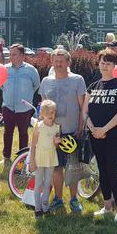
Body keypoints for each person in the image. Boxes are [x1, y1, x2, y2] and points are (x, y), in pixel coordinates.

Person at [83, 49, 117, 222]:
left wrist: (104, 129)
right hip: (95, 135)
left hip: (113, 137)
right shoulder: (93, 87)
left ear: (114, 65)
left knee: (112, 171)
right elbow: (84, 112)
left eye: (108, 63)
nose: (104, 66)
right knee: (102, 171)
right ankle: (107, 206)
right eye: (102, 63)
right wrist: (93, 128)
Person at [39, 49, 87, 213]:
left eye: (62, 61)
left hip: (72, 132)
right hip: (53, 134)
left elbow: (83, 107)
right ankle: (58, 199)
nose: (58, 64)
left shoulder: (77, 80)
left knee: (73, 168)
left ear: (68, 63)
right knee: (56, 167)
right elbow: (44, 107)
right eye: (55, 60)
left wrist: (81, 126)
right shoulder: (46, 81)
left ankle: (74, 199)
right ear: (52, 62)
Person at [0, 44, 40, 166]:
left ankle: (22, 158)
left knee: (23, 132)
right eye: (10, 54)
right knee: (8, 132)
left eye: (14, 54)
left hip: (24, 108)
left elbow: (36, 85)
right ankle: (6, 157)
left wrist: (26, 95)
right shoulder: (5, 69)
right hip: (8, 106)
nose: (10, 57)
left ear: (22, 56)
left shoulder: (31, 70)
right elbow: (1, 85)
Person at [29, 100, 61, 218]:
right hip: (39, 158)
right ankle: (37, 209)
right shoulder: (39, 126)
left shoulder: (56, 127)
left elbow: (55, 145)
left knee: (47, 183)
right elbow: (33, 144)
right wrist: (32, 160)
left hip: (51, 158)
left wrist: (56, 142)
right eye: (48, 112)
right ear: (42, 114)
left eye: (53, 112)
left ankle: (45, 207)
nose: (51, 115)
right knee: (38, 184)